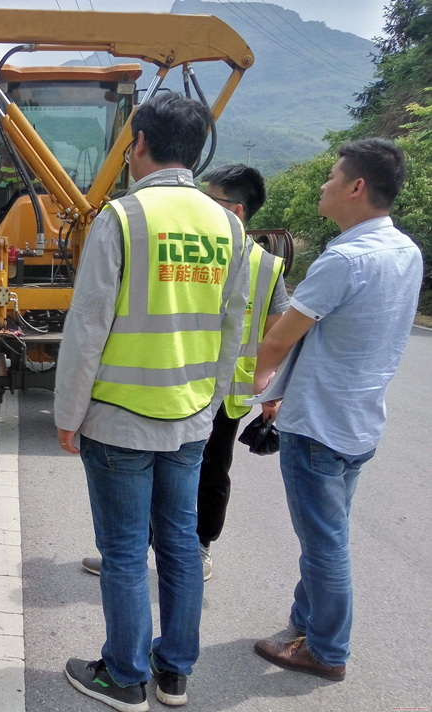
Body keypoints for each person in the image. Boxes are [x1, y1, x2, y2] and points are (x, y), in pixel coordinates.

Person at [55, 93, 250, 710]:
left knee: (121, 552)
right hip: (190, 418)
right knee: (180, 544)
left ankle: (124, 674)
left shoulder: (124, 217)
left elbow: (87, 329)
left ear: (138, 144)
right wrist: (210, 403)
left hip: (119, 421)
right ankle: (173, 674)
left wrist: (67, 415)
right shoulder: (228, 225)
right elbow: (231, 326)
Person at [252, 139, 421, 681]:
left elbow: (280, 338)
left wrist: (263, 386)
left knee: (324, 544)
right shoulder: (407, 251)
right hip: (359, 421)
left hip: (318, 424)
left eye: (331, 177)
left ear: (356, 188)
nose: (323, 185)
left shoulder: (344, 258)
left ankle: (326, 650)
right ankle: (306, 622)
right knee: (329, 532)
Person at [82, 165, 289, 582]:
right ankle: (131, 551)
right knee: (153, 478)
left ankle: (196, 549)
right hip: (178, 382)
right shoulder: (191, 243)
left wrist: (273, 389)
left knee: (211, 474)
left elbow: (278, 333)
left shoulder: (264, 265)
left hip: (225, 393)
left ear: (236, 210)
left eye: (209, 199)